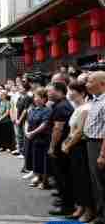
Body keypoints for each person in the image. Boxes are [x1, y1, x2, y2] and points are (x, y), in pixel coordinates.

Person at [63, 82, 95, 223]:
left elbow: (79, 131)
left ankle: (88, 211)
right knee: (76, 178)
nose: (69, 94)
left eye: (72, 91)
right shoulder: (78, 107)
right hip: (73, 146)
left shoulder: (86, 108)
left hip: (80, 146)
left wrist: (68, 144)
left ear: (81, 93)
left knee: (83, 179)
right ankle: (80, 207)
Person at [47, 82, 75, 216]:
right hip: (62, 147)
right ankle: (65, 203)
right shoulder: (60, 105)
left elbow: (58, 128)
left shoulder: (62, 107)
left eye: (50, 91)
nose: (48, 93)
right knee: (62, 177)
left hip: (60, 148)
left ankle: (67, 207)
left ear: (59, 91)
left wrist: (52, 147)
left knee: (63, 177)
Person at [84, 72, 105, 224]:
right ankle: (99, 219)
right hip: (91, 143)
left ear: (102, 84)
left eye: (90, 81)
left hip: (99, 145)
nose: (86, 84)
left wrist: (102, 154)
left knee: (102, 185)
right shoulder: (95, 100)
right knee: (96, 185)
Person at [26, 88, 51, 190]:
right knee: (35, 158)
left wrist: (32, 133)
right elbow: (28, 121)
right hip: (33, 138)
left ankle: (45, 181)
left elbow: (44, 124)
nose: (36, 99)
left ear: (45, 99)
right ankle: (38, 177)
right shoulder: (32, 109)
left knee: (43, 160)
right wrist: (27, 132)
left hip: (42, 138)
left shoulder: (47, 110)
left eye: (39, 97)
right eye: (35, 97)